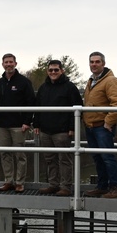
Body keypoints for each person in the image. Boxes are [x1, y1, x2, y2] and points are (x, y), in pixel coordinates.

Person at [33, 59, 83, 196]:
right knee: (50, 159)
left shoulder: (70, 87)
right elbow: (37, 107)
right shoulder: (44, 87)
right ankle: (53, 184)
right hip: (45, 130)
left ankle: (66, 186)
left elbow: (78, 108)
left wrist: (72, 127)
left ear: (62, 71)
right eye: (51, 70)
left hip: (62, 131)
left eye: (56, 70)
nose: (53, 72)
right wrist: (36, 124)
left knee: (64, 160)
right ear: (47, 71)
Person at [83, 51, 117, 198]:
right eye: (92, 62)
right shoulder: (91, 81)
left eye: (97, 62)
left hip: (102, 126)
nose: (94, 64)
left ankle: (115, 187)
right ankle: (102, 186)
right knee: (97, 157)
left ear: (103, 63)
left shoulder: (111, 80)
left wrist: (109, 122)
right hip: (91, 126)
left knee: (107, 156)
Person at [0, 53, 35, 193]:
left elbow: (31, 102)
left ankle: (20, 182)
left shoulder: (24, 82)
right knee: (5, 153)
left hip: (19, 125)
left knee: (19, 154)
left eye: (11, 62)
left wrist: (27, 121)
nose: (8, 64)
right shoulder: (0, 83)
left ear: (15, 64)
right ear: (2, 64)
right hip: (3, 125)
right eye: (6, 62)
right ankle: (8, 181)